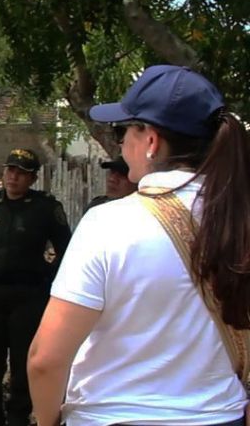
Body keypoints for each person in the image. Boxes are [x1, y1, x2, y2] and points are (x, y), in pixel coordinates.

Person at [29, 65, 250, 426]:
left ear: (151, 141)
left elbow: (46, 359)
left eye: (123, 129)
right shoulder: (240, 221)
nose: (119, 142)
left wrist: (47, 421)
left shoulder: (109, 224)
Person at [0, 149, 71, 426]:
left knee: (23, 362)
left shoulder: (45, 208)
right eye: (10, 170)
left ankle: (18, 417)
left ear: (33, 178)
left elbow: (66, 249)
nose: (14, 177)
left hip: (29, 295)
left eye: (21, 172)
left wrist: (49, 277)